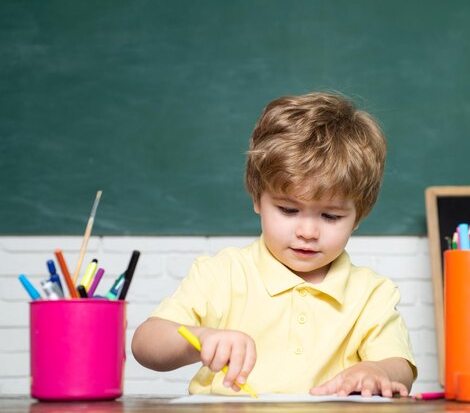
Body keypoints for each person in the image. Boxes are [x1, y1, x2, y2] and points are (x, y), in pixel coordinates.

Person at [131, 91, 417, 398]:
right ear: (257, 197)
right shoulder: (222, 274)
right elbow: (145, 344)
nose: (307, 231)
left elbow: (399, 365)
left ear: (358, 216)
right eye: (289, 210)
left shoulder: (371, 294)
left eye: (330, 216)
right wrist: (200, 338)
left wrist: (378, 371)